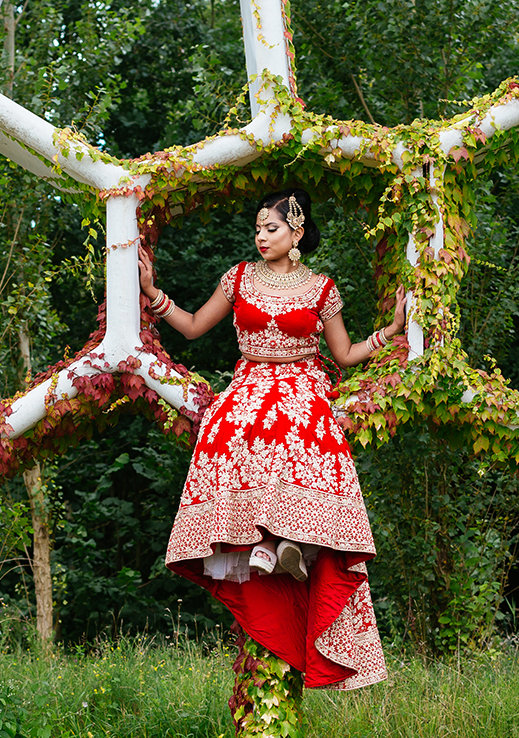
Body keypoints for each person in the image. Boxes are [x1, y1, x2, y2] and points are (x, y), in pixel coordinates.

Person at [139, 188, 406, 690]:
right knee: (235, 426)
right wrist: (153, 293)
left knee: (293, 425)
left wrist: (391, 330)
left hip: (303, 384)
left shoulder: (323, 289)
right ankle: (262, 541)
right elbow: (193, 327)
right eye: (258, 229)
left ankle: (287, 542)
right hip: (249, 383)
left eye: (272, 228)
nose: (261, 237)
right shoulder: (238, 278)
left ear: (296, 232)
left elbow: (345, 355)